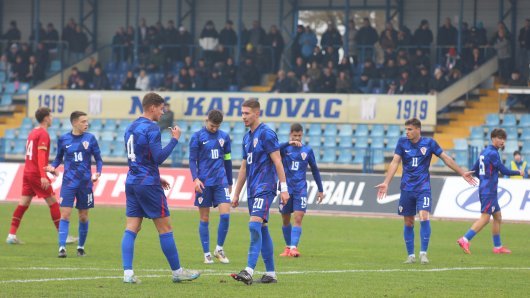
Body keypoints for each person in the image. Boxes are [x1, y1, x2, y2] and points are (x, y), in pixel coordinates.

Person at [121, 92, 200, 283]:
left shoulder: (130, 127)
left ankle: (128, 274)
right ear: (152, 107)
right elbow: (158, 158)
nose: (163, 111)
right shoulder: (152, 128)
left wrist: (157, 177)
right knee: (165, 228)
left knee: (132, 227)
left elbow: (139, 160)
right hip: (147, 184)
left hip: (132, 181)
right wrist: (174, 139)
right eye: (161, 108)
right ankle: (177, 272)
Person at [376, 118, 476, 264]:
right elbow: (395, 162)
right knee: (409, 221)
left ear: (418, 130)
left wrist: (462, 172)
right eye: (406, 129)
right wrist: (386, 182)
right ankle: (411, 256)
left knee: (424, 216)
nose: (407, 132)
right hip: (406, 189)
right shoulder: (402, 142)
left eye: (410, 129)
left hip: (423, 188)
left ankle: (423, 253)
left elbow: (446, 158)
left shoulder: (429, 143)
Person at [231, 98, 290, 285]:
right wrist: (236, 193)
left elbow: (278, 161)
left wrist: (284, 188)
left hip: (265, 186)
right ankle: (271, 273)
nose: (243, 117)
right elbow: (243, 168)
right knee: (262, 229)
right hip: (252, 189)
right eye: (242, 113)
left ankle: (248, 270)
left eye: (247, 113)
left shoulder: (267, 134)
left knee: (253, 225)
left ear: (257, 113)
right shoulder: (247, 137)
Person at [457, 129, 524, 254]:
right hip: (489, 191)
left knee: (498, 217)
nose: (502, 141)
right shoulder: (493, 153)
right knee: (485, 218)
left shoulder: (484, 151)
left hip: (486, 189)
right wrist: (518, 172)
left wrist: (482, 178)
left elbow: (475, 169)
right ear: (493, 138)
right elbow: (503, 171)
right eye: (499, 138)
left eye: (503, 139)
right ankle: (465, 239)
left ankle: (497, 247)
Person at [45, 111, 103, 257]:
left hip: (85, 184)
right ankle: (62, 248)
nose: (86, 124)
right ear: (75, 123)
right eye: (83, 121)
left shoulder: (91, 138)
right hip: (69, 183)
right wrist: (53, 166)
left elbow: (99, 159)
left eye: (87, 121)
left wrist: (98, 173)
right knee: (65, 215)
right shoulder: (64, 139)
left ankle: (80, 247)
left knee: (83, 216)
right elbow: (58, 158)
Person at [6, 107, 64, 244]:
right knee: (53, 202)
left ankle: (11, 235)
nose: (52, 118)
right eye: (51, 115)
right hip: (37, 174)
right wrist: (44, 175)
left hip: (28, 172)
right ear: (45, 118)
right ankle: (63, 235)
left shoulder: (33, 132)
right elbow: (41, 156)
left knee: (24, 203)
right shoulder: (43, 134)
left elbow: (36, 157)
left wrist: (50, 170)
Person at [189, 109, 233, 264]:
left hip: (221, 181)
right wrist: (195, 179)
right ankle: (206, 253)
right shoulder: (197, 137)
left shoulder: (224, 137)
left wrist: (230, 182)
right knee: (204, 218)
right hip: (204, 183)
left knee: (226, 216)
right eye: (212, 125)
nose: (214, 129)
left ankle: (219, 249)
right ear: (206, 120)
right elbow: (192, 160)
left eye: (217, 126)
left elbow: (227, 160)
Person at [278, 123, 324, 258]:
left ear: (302, 135)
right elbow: (273, 149)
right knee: (285, 219)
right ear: (290, 134)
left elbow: (315, 170)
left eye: (299, 136)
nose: (297, 138)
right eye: (294, 136)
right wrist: (288, 143)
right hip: (286, 189)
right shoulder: (284, 149)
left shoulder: (307, 150)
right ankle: (288, 247)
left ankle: (294, 247)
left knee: (298, 218)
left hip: (300, 189)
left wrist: (320, 190)